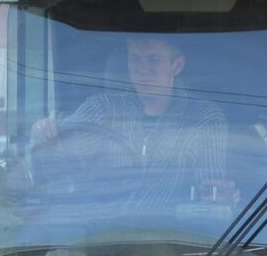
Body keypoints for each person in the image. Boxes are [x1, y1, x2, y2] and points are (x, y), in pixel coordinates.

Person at [30, 36, 229, 207]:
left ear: (176, 65)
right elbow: (60, 168)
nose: (142, 69)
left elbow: (210, 191)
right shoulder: (100, 108)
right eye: (135, 59)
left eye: (153, 59)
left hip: (171, 236)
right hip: (96, 233)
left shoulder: (204, 117)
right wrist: (44, 139)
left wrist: (220, 196)